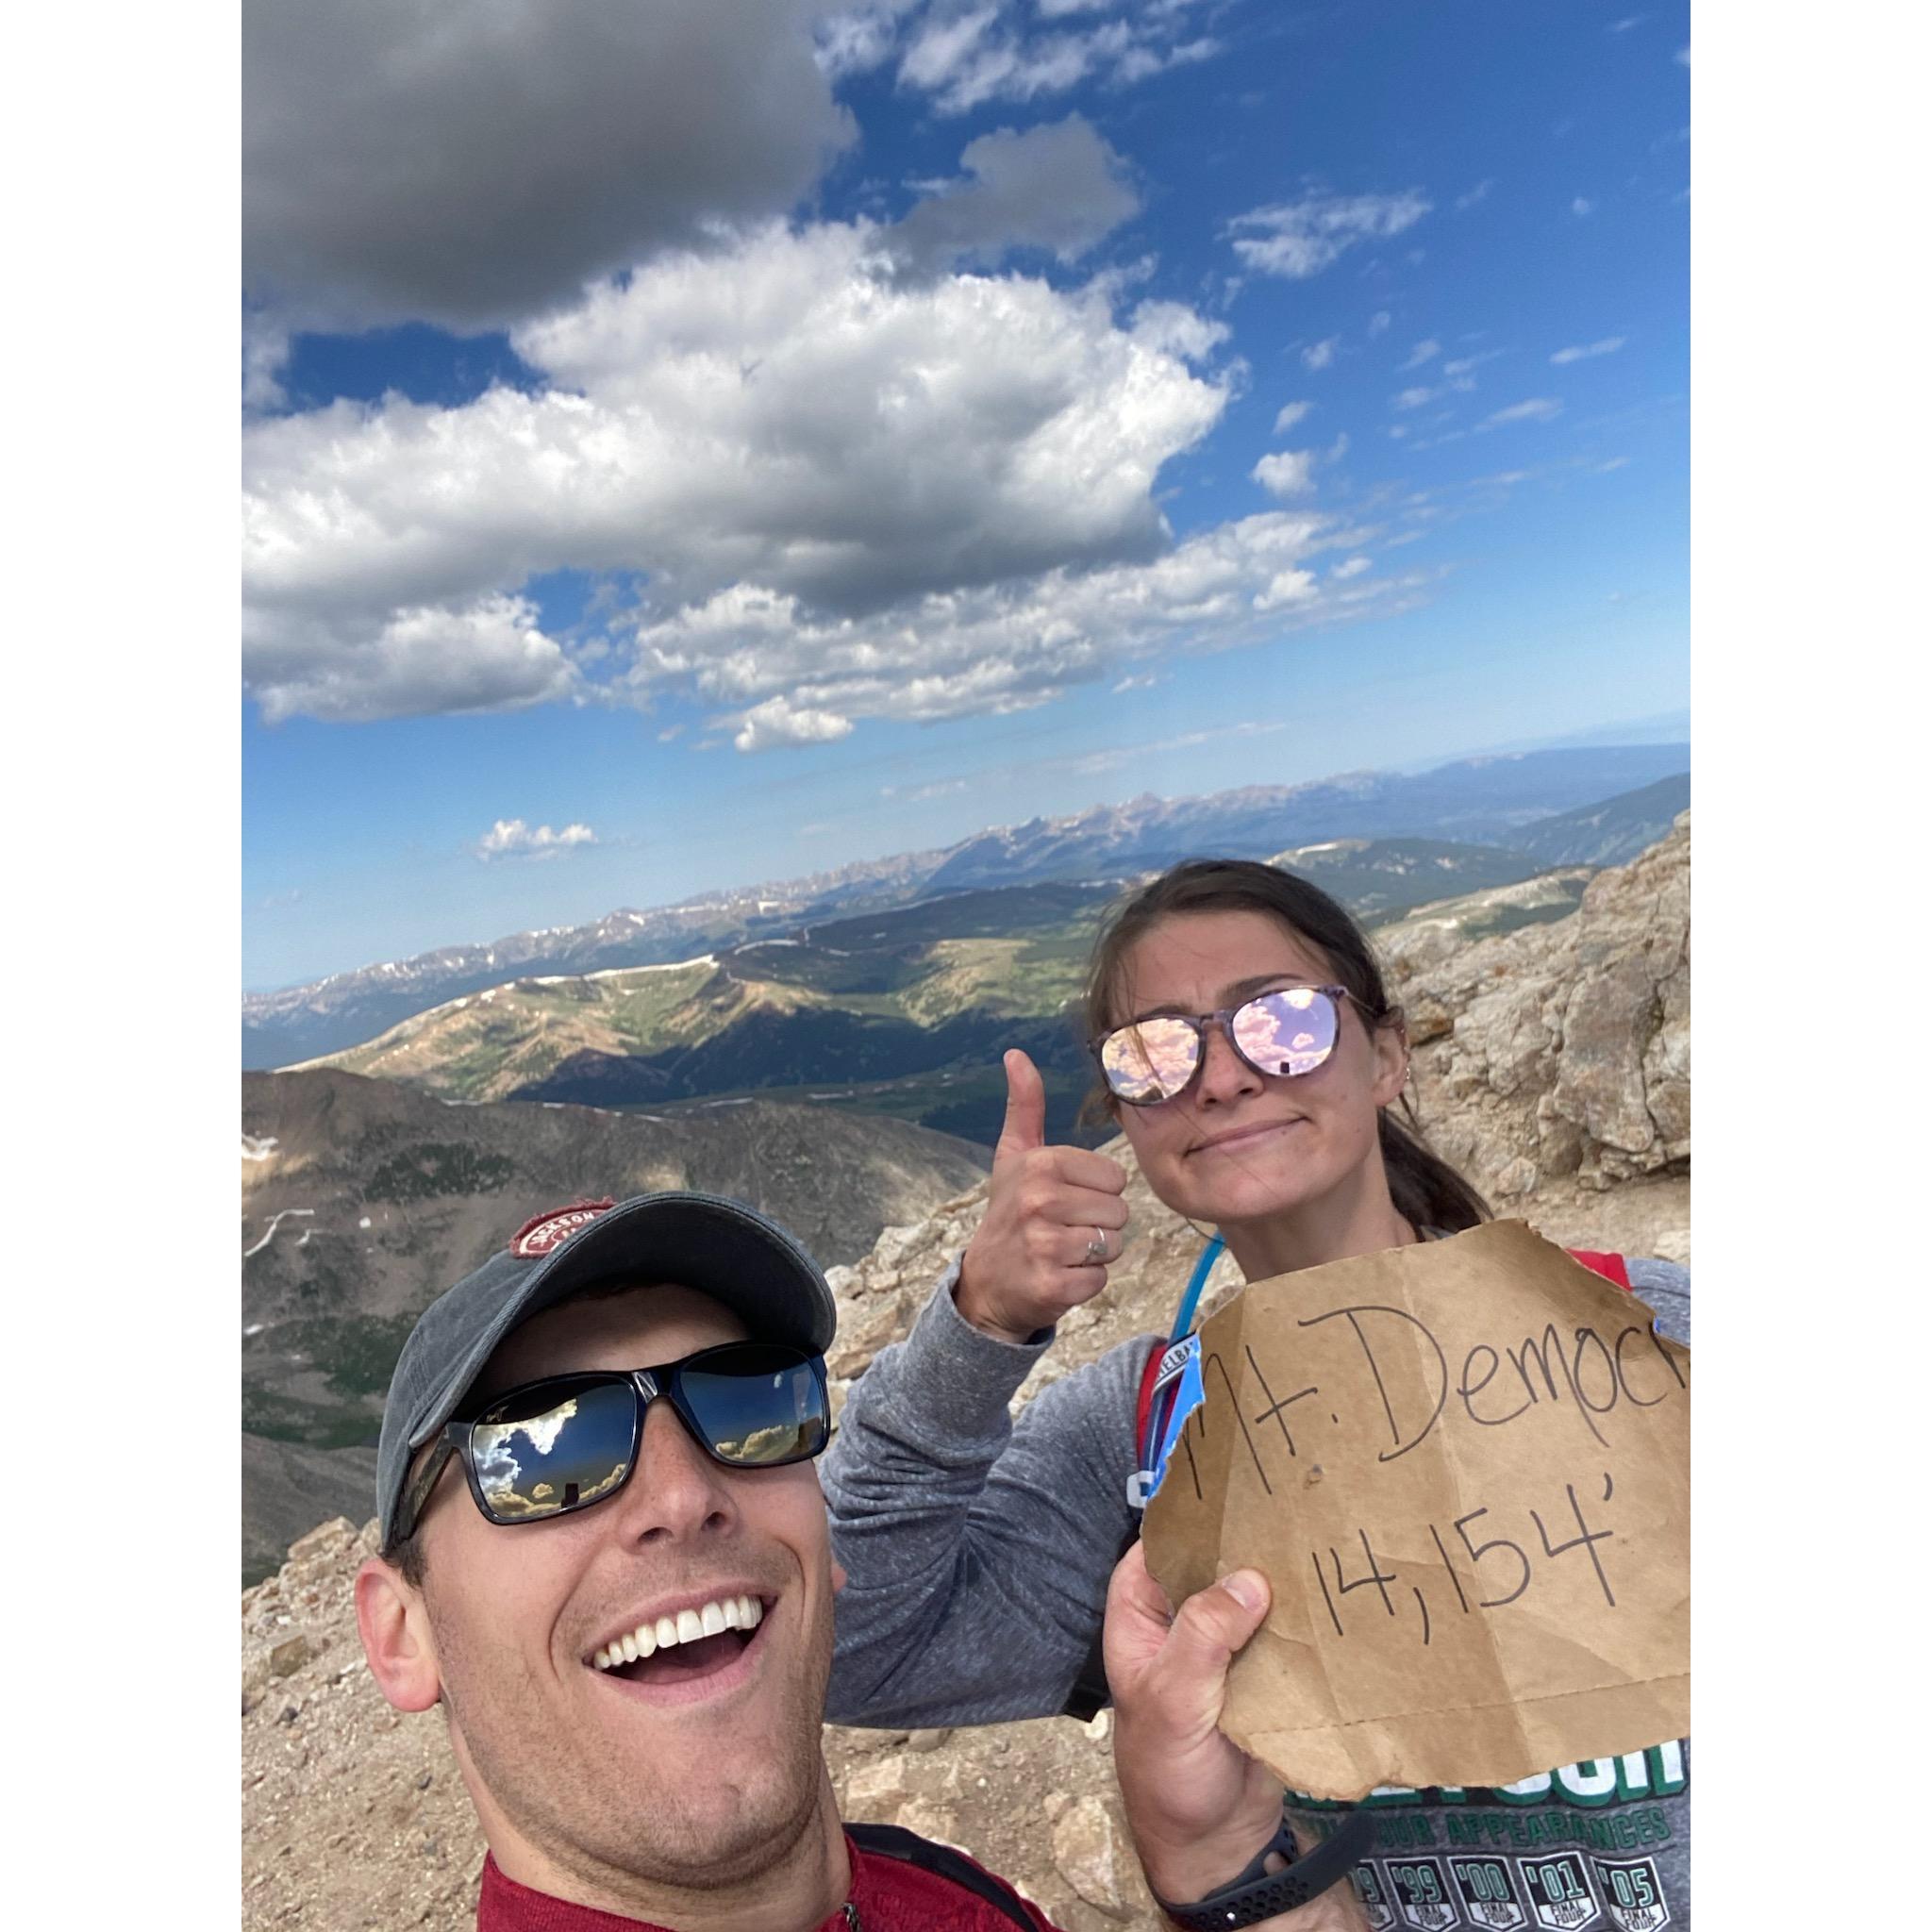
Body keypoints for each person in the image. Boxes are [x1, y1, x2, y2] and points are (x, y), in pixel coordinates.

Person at [822, 858, 1691, 1929]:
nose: (1223, 1076)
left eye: (1279, 1020)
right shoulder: (1135, 1433)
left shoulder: (1643, 1328)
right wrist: (980, 1323)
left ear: (1384, 1054)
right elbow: (848, 1639)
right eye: (1155, 1049)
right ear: (1127, 1117)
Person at [354, 1189, 1372, 1932]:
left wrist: (1227, 1866)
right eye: (545, 1449)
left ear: (826, 1551)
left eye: (748, 1407)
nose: (683, 1495)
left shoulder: (930, 1888)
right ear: (401, 1632)